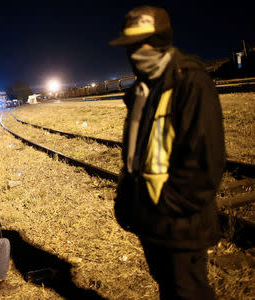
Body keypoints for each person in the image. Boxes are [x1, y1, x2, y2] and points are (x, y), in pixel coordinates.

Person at [110, 6, 225, 299]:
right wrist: (130, 201)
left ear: (162, 40)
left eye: (140, 44)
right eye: (130, 46)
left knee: (188, 292)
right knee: (168, 290)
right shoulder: (142, 90)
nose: (134, 53)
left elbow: (204, 168)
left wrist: (163, 208)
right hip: (153, 223)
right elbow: (138, 156)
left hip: (180, 227)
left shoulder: (191, 82)